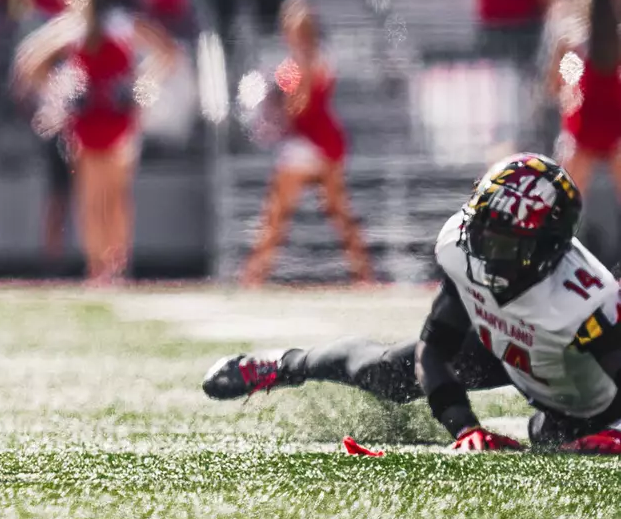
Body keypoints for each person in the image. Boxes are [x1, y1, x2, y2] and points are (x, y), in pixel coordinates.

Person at [203, 153, 621, 454]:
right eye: (482, 235)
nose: (484, 252)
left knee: (558, 441)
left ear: (546, 250)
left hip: (584, 393)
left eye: (503, 243)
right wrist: (465, 428)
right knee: (385, 371)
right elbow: (434, 349)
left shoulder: (587, 305)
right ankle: (283, 364)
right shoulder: (466, 249)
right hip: (512, 351)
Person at [14, 0, 177, 285]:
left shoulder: (79, 26)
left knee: (93, 200)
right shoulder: (116, 24)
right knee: (114, 199)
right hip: (107, 121)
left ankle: (99, 268)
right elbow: (168, 53)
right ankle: (115, 266)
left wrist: (59, 90)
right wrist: (140, 86)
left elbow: (29, 61)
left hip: (96, 121)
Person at [241, 0, 373, 287]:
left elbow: (296, 107)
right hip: (326, 141)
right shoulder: (321, 58)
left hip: (307, 144)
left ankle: (253, 275)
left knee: (276, 213)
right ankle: (363, 274)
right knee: (339, 213)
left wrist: (274, 107)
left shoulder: (299, 63)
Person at [551, 0, 621, 204]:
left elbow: (562, 89)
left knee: (564, 203)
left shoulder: (574, 46)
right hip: (616, 130)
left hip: (582, 132)